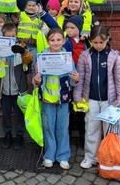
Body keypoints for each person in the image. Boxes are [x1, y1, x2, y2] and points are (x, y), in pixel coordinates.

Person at [73, 26, 120, 169]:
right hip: (91, 99)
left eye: (100, 43)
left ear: (107, 40)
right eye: (94, 42)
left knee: (111, 130)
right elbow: (81, 78)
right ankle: (90, 157)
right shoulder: (85, 56)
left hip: (110, 101)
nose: (97, 45)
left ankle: (111, 158)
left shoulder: (115, 57)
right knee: (91, 128)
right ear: (90, 41)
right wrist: (78, 97)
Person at [33, 27, 79, 170]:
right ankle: (49, 155)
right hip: (47, 99)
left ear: (63, 41)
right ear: (48, 42)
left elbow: (73, 77)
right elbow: (36, 80)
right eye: (52, 40)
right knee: (48, 127)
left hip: (63, 99)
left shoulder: (67, 56)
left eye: (58, 39)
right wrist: (37, 81)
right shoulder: (42, 57)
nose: (55, 42)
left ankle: (63, 156)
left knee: (62, 128)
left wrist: (76, 78)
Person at [0, 22, 33, 150]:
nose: (10, 39)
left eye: (12, 36)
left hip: (18, 89)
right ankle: (7, 134)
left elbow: (28, 59)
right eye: (7, 37)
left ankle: (20, 135)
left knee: (19, 115)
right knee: (6, 114)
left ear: (16, 35)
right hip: (4, 89)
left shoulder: (21, 46)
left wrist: (22, 52)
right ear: (3, 37)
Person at [63, 15, 91, 144]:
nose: (69, 30)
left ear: (79, 28)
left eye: (72, 28)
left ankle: (82, 134)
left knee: (80, 106)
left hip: (82, 79)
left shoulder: (85, 42)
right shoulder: (65, 41)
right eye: (67, 27)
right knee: (68, 107)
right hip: (68, 78)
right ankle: (67, 135)